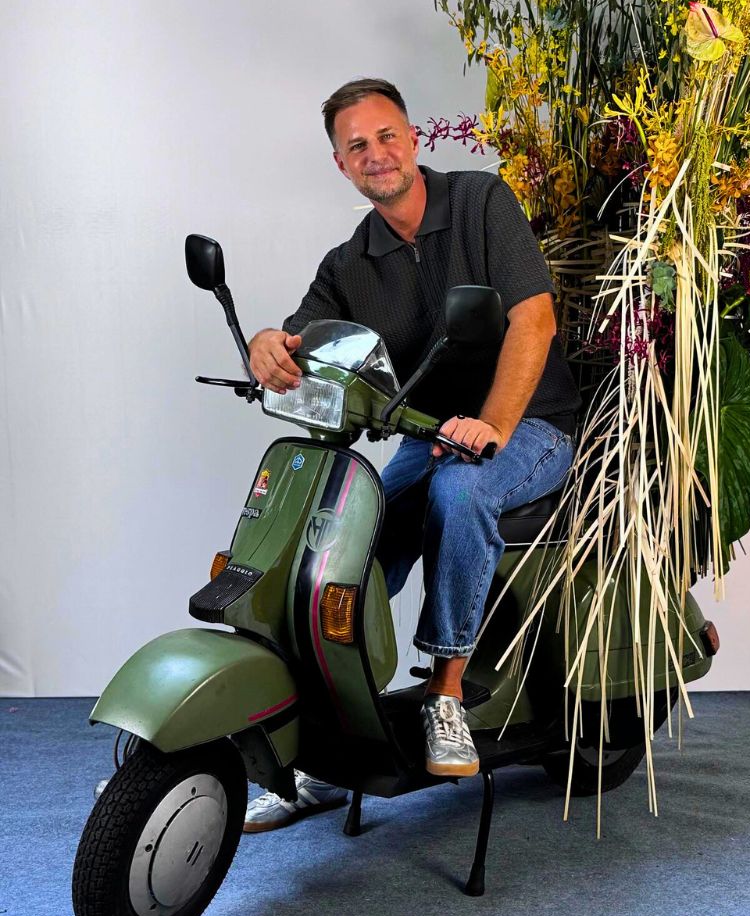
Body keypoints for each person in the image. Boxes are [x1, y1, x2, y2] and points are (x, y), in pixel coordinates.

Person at [243, 77, 580, 832]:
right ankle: (322, 743)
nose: (376, 153)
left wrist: (491, 423)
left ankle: (448, 694)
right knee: (347, 534)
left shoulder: (480, 202)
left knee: (462, 493)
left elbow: (534, 322)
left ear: (414, 137)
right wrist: (272, 344)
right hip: (428, 434)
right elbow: (305, 338)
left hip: (531, 425)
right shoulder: (349, 261)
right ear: (340, 165)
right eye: (356, 145)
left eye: (386, 135)